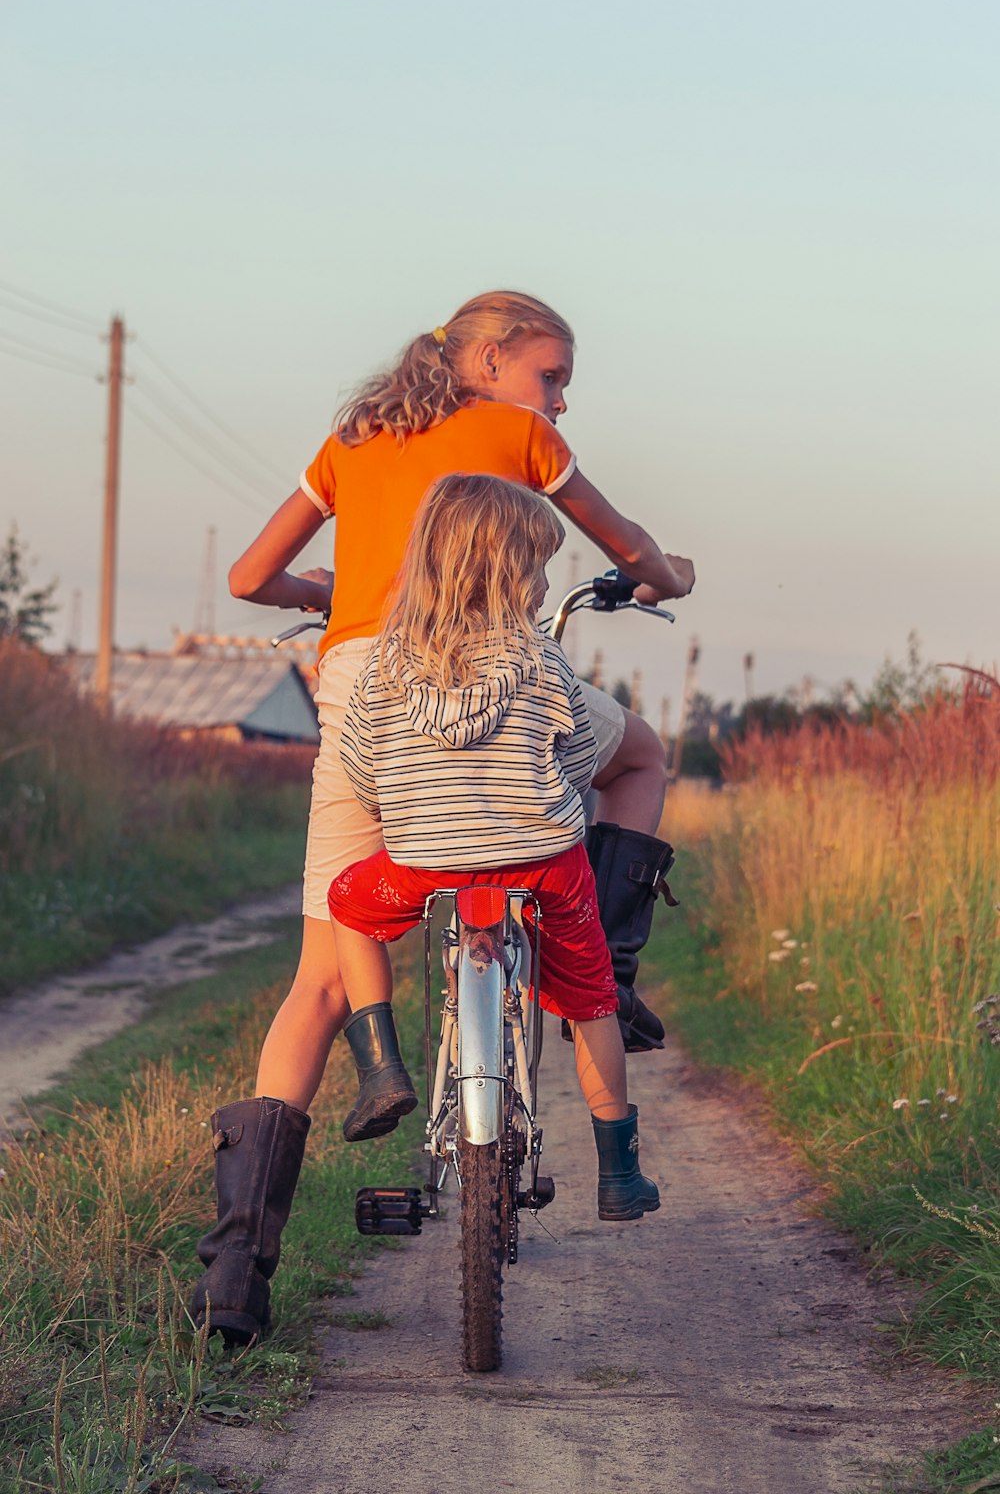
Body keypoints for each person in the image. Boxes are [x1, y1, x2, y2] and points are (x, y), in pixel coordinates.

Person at [192, 290, 693, 1345]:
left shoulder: (352, 436)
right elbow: (627, 541)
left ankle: (234, 1273)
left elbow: (246, 577)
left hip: (361, 687)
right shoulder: (520, 435)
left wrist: (324, 597)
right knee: (639, 753)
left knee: (324, 971)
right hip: (492, 668)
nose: (559, 395)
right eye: (551, 372)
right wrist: (665, 574)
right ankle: (605, 971)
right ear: (491, 356)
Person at [325, 473, 660, 1230]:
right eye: (539, 568)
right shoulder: (542, 663)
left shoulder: (383, 666)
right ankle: (618, 1169)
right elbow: (575, 756)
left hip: (424, 863)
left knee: (347, 907)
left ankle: (379, 1068)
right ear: (508, 573)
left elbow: (361, 767)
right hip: (545, 866)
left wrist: (405, 809)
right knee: (592, 997)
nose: (545, 585)